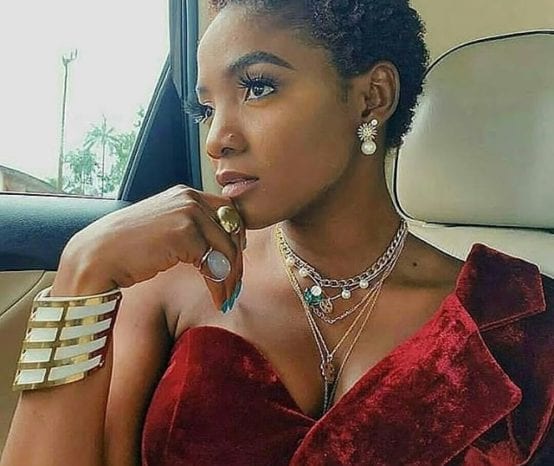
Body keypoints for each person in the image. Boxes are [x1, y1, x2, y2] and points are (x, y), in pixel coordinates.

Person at [1, 0, 553, 465]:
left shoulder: (520, 316)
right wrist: (83, 271)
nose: (218, 138)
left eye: (258, 87)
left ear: (372, 97)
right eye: (206, 108)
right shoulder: (169, 287)